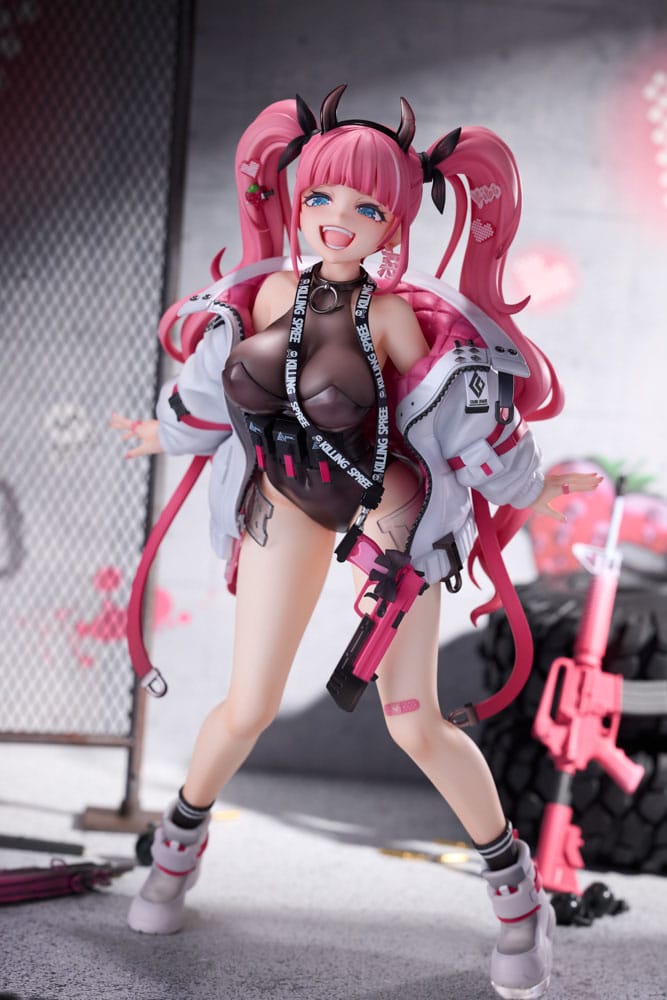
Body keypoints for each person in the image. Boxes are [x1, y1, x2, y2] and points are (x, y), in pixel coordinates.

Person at [112, 85, 599, 999]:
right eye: (322, 197)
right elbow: (211, 397)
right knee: (247, 705)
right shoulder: (262, 296)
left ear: (396, 222)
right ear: (296, 198)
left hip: (389, 505)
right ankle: (175, 850)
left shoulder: (393, 318)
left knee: (412, 720)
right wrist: (159, 431)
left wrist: (528, 487)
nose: (339, 219)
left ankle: (515, 895)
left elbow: (461, 420)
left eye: (367, 207)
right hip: (285, 495)